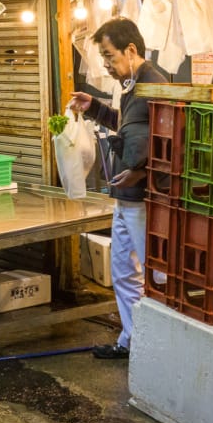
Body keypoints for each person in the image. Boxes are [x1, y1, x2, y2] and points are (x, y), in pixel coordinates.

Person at [69, 18, 166, 360]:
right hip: (125, 199)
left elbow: (164, 143)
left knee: (155, 275)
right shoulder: (131, 86)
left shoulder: (154, 85)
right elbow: (129, 127)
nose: (106, 65)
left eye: (109, 56)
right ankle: (131, 341)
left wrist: (138, 173)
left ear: (130, 50)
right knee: (123, 273)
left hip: (142, 201)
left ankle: (155, 348)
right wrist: (93, 107)